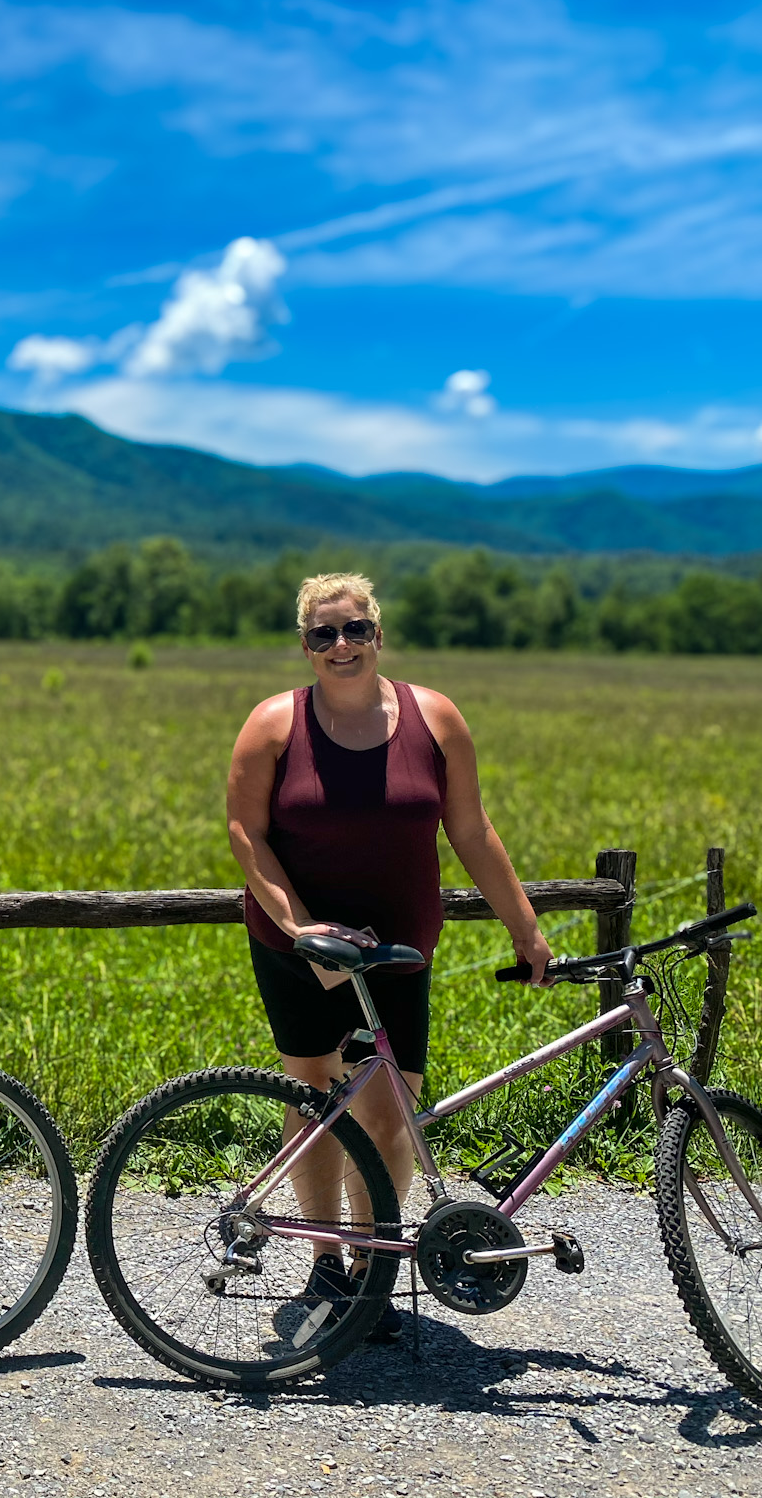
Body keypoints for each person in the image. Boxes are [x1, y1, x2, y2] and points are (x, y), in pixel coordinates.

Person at [225, 571, 550, 1339]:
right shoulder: (273, 725)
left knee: (389, 1108)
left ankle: (373, 1267)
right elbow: (247, 834)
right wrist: (302, 926)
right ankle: (325, 1258)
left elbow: (471, 831)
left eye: (355, 630)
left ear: (379, 634)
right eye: (323, 635)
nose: (341, 646)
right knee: (311, 1096)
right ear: (304, 647)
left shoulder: (435, 718)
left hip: (399, 943)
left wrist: (524, 926)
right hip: (297, 940)